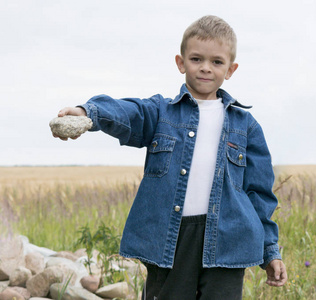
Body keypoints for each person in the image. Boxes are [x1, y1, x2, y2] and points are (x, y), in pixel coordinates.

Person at [54, 15, 287, 300]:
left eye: (216, 62)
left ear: (231, 69)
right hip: (170, 236)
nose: (205, 68)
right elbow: (129, 111)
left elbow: (259, 195)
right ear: (181, 62)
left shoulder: (246, 125)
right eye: (196, 59)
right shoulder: (161, 112)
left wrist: (270, 252)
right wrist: (89, 113)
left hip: (229, 236)